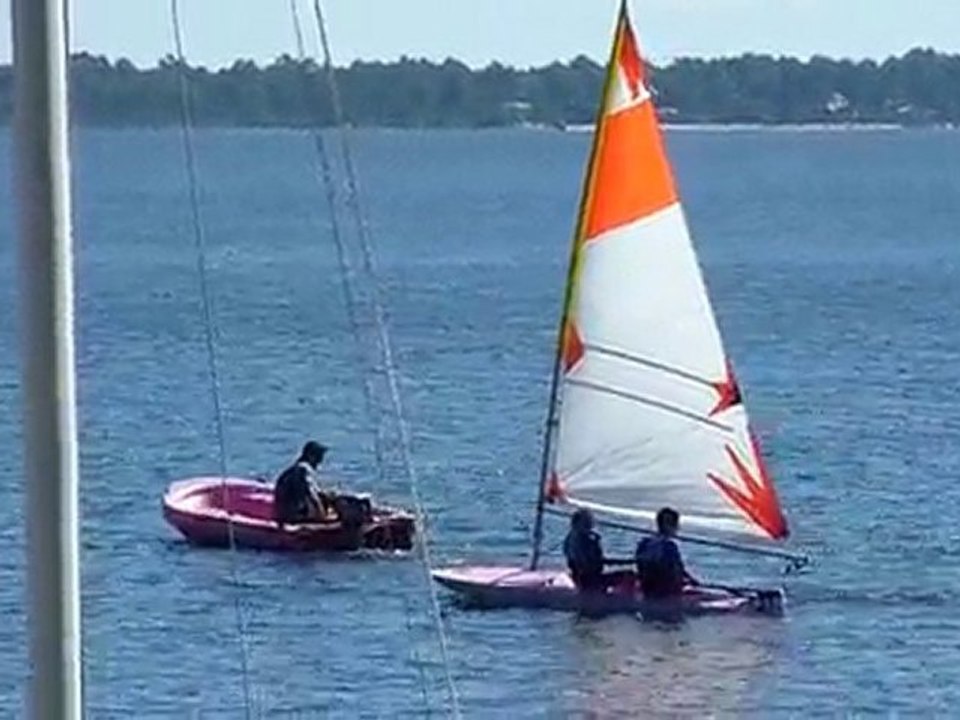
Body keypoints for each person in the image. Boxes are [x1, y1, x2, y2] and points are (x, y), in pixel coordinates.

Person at [563, 508, 635, 592]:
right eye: (587, 522)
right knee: (630, 574)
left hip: (580, 578)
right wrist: (628, 561)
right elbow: (597, 562)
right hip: (592, 580)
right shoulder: (587, 540)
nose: (590, 524)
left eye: (590, 521)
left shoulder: (569, 538)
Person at [635, 507, 699, 598]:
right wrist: (693, 582)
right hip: (667, 593)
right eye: (676, 524)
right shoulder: (669, 546)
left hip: (647, 589)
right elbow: (678, 571)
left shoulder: (644, 543)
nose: (678, 528)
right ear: (669, 526)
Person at [273, 441, 333, 525]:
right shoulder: (303, 469)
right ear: (311, 456)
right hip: (291, 516)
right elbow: (311, 494)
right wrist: (322, 515)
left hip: (284, 511)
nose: (321, 461)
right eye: (319, 456)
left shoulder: (297, 468)